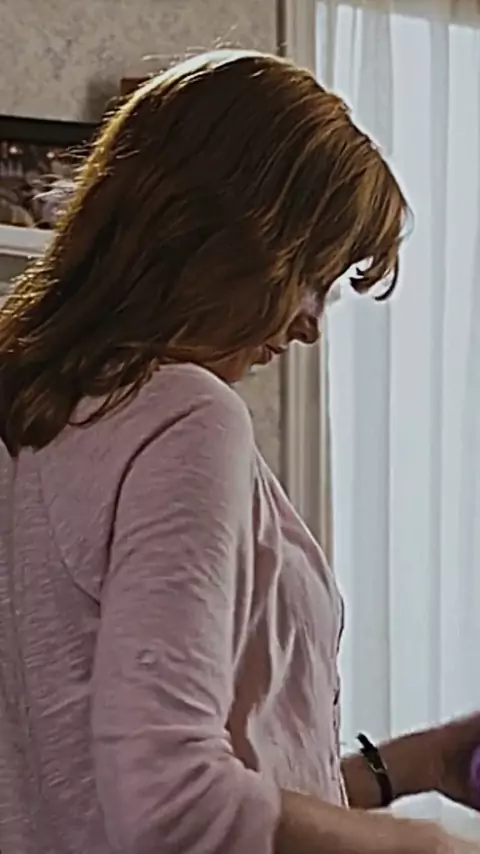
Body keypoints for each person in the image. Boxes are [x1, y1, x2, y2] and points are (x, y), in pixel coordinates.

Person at [0, 48, 478, 854]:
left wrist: (413, 765)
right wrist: (423, 846)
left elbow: (121, 792)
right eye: (312, 274)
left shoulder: (35, 419)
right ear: (231, 238)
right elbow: (172, 801)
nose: (312, 323)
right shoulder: (187, 417)